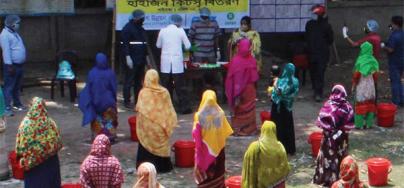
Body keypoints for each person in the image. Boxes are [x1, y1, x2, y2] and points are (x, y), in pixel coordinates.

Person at [135, 69, 177, 173]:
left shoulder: (143, 93)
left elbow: (140, 113)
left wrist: (143, 125)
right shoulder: (164, 92)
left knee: (145, 144)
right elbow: (169, 111)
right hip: (161, 128)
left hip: (147, 130)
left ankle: (145, 166)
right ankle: (163, 167)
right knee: (161, 140)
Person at [16, 97, 63, 188]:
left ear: (30, 107)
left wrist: (21, 159)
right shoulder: (50, 122)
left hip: (33, 165)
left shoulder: (25, 124)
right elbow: (58, 142)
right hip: (51, 162)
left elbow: (20, 146)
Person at [313, 85, 354, 187]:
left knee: (328, 157)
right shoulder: (347, 106)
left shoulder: (327, 105)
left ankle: (326, 179)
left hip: (328, 139)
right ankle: (341, 178)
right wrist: (340, 131)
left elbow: (321, 121)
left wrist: (331, 131)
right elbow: (349, 125)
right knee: (341, 156)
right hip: (342, 138)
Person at [193, 90, 233, 188]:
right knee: (218, 176)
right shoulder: (220, 113)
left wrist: (197, 157)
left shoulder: (199, 116)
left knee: (205, 180)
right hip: (219, 152)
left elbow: (196, 138)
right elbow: (225, 132)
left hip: (204, 153)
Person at [156, 14, 192, 114]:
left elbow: (158, 45)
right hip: (177, 63)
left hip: (165, 62)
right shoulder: (180, 31)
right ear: (179, 22)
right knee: (180, 86)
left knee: (166, 86)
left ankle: (166, 108)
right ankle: (184, 108)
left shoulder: (162, 31)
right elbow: (188, 46)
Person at [79, 53, 118, 142]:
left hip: (95, 102)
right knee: (109, 121)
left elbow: (88, 88)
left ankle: (98, 137)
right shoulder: (110, 73)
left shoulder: (92, 73)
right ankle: (110, 137)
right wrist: (114, 100)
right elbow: (113, 88)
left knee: (97, 119)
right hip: (108, 102)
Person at [225, 39, 259, 136]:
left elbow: (230, 77)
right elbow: (255, 77)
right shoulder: (252, 60)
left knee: (238, 108)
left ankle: (237, 128)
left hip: (237, 91)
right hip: (249, 89)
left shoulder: (235, 61)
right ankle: (249, 129)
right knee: (250, 108)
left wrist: (234, 91)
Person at [242, 121, 290, 188]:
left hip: (259, 183)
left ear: (262, 130)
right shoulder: (280, 146)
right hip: (276, 184)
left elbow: (249, 165)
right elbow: (284, 167)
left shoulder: (255, 147)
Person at [305, 5, 334, 102]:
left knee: (313, 71)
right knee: (320, 73)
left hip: (311, 52)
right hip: (322, 53)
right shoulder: (327, 26)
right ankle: (318, 93)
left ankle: (315, 90)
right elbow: (330, 40)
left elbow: (306, 36)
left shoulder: (309, 24)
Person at [121, 9, 148, 109]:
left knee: (138, 82)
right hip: (132, 59)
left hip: (140, 59)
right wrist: (128, 57)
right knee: (129, 80)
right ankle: (127, 101)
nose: (142, 19)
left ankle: (138, 101)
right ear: (135, 18)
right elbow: (125, 44)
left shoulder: (140, 29)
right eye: (141, 18)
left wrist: (146, 57)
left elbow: (143, 44)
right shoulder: (127, 29)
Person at [188, 7, 221, 92]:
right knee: (198, 73)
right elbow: (190, 38)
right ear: (200, 16)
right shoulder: (195, 24)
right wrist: (192, 51)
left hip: (210, 53)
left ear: (209, 16)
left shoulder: (214, 23)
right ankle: (198, 91)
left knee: (212, 72)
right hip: (198, 53)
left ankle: (211, 90)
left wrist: (217, 50)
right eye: (203, 17)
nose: (205, 19)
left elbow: (216, 38)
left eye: (206, 17)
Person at [0, 15, 27, 116]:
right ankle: (6, 107)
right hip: (11, 66)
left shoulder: (14, 33)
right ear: (12, 24)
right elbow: (6, 52)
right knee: (9, 87)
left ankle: (17, 104)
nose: (19, 25)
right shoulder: (4, 35)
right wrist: (9, 66)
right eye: (18, 23)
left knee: (16, 86)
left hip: (19, 65)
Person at [271, 63, 299, 155]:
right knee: (288, 127)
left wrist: (275, 83)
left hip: (278, 106)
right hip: (288, 106)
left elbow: (279, 92)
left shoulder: (281, 81)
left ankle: (278, 148)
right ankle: (290, 149)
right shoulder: (295, 81)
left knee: (278, 127)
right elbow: (294, 93)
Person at [352, 42, 379, 129]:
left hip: (361, 86)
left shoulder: (360, 60)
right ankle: (368, 124)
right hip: (370, 86)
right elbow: (375, 75)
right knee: (370, 105)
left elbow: (356, 75)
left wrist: (354, 84)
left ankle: (359, 125)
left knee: (360, 105)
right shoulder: (373, 61)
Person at [383, 16, 404, 107]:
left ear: (395, 24)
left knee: (395, 81)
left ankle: (395, 101)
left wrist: (383, 46)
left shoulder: (394, 35)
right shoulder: (402, 33)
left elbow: (391, 49)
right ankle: (402, 99)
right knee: (401, 81)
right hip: (402, 59)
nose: (390, 25)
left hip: (394, 62)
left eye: (391, 23)